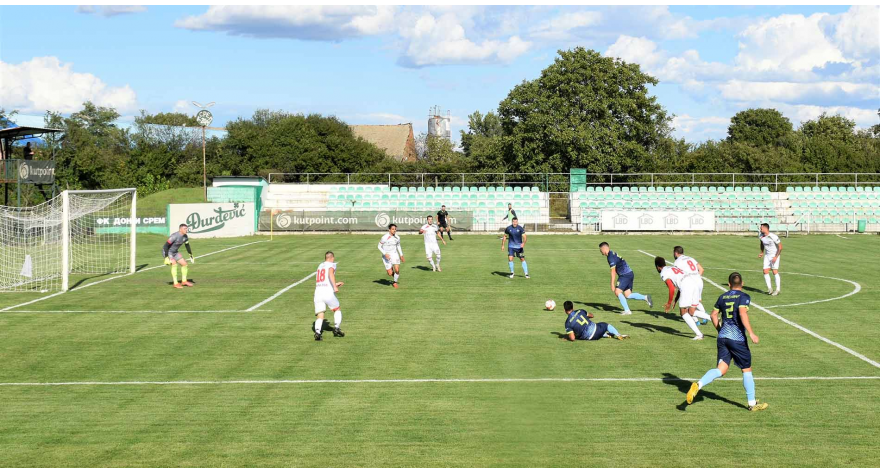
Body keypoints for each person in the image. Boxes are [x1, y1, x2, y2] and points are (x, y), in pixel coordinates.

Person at [687, 272, 769, 412]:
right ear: (742, 284)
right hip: (737, 339)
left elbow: (713, 315)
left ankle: (698, 385)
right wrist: (751, 333)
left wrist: (720, 330)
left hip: (722, 337)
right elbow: (742, 313)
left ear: (729, 284)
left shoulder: (722, 297)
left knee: (721, 369)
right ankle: (751, 403)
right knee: (746, 369)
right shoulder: (744, 296)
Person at [655, 256, 711, 336]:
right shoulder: (671, 267)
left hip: (686, 287)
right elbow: (679, 285)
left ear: (657, 267)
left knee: (683, 313)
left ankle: (699, 335)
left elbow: (672, 288)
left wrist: (669, 303)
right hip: (693, 284)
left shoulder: (664, 272)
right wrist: (676, 299)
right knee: (691, 312)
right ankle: (711, 317)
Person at [598, 242, 651, 315]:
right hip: (629, 274)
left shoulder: (610, 257)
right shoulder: (612, 253)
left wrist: (612, 284)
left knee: (617, 292)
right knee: (628, 295)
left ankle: (627, 311)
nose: (600, 251)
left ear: (603, 249)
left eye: (600, 250)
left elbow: (613, 271)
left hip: (625, 275)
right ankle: (645, 297)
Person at [672, 246, 712, 340]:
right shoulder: (690, 258)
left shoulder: (677, 262)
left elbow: (677, 276)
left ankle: (700, 319)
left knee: (687, 307)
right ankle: (704, 318)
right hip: (699, 280)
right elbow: (701, 269)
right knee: (696, 302)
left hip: (689, 282)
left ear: (675, 253)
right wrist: (696, 278)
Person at [313, 251, 344, 341]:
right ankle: (337, 328)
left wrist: (335, 283)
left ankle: (317, 332)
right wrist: (334, 287)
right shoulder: (332, 265)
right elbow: (330, 274)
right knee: (337, 309)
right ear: (331, 258)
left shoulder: (320, 266)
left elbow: (324, 279)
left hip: (318, 292)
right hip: (327, 292)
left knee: (320, 314)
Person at [562, 301, 628, 341]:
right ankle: (618, 335)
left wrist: (568, 337)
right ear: (573, 307)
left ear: (564, 310)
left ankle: (605, 335)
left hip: (590, 338)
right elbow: (592, 316)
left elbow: (572, 338)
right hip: (596, 329)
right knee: (606, 325)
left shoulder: (567, 323)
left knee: (579, 334)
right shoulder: (580, 311)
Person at [162, 223, 194, 289]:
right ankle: (175, 283)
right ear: (180, 229)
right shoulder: (174, 236)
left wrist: (190, 255)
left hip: (175, 252)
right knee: (174, 264)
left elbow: (187, 245)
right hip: (168, 252)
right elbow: (165, 246)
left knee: (184, 264)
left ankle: (184, 281)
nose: (186, 230)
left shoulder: (185, 236)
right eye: (185, 228)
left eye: (186, 228)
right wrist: (166, 257)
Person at [758, 223, 783, 295]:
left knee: (774, 271)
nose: (760, 229)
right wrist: (762, 252)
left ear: (766, 228)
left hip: (774, 255)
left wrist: (776, 257)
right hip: (767, 256)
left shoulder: (773, 236)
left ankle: (777, 289)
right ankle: (770, 289)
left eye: (761, 228)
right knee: (765, 271)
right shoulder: (761, 236)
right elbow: (762, 244)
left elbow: (780, 247)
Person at [378, 223, 404, 288]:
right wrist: (385, 253)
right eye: (392, 229)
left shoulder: (397, 237)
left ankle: (394, 282)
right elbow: (379, 246)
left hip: (394, 254)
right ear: (389, 230)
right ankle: (391, 270)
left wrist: (401, 255)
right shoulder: (384, 237)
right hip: (386, 256)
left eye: (395, 229)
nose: (394, 230)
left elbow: (398, 246)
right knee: (390, 273)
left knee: (397, 270)